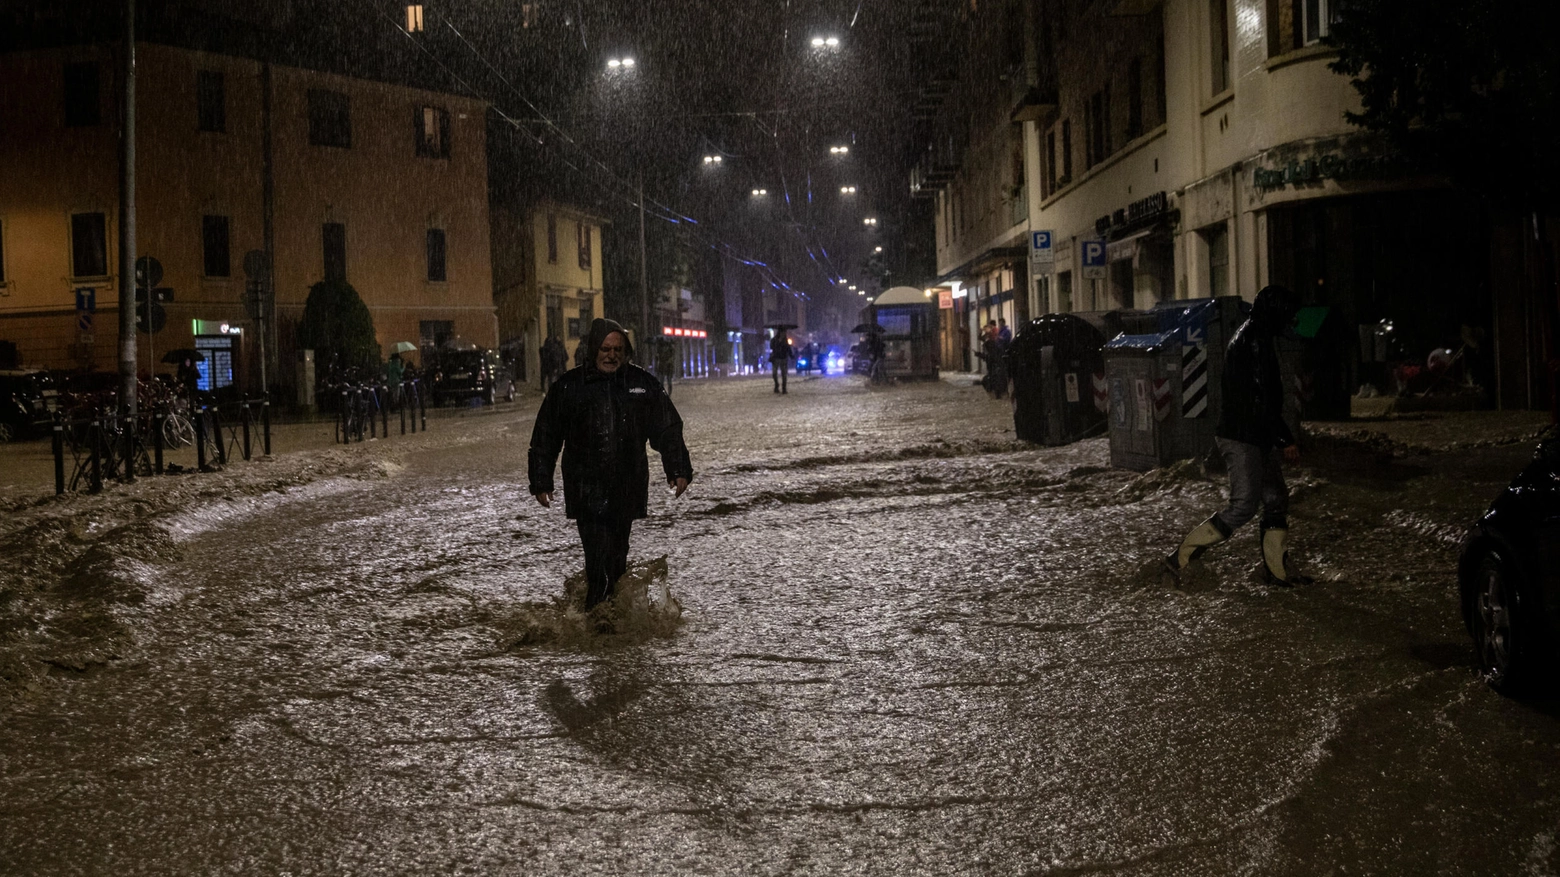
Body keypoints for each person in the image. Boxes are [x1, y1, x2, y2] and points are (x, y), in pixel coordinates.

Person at [528, 319, 694, 614]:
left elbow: (667, 427)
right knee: (598, 557)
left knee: (617, 556)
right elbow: (546, 435)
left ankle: (607, 617)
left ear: (625, 351)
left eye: (618, 349)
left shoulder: (642, 385)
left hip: (626, 487)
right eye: (605, 348)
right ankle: (599, 622)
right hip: (586, 488)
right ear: (593, 349)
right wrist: (541, 479)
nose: (611, 355)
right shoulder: (569, 387)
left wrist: (678, 468)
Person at [1162, 285, 1311, 587]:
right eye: (1289, 315)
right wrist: (1286, 439)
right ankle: (1178, 560)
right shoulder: (1253, 341)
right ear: (1277, 314)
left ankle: (1277, 573)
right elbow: (1261, 398)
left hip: (1255, 434)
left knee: (1275, 498)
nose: (1292, 321)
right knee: (1244, 505)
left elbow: (1263, 400)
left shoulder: (1257, 335)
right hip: (1243, 436)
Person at [769, 330, 794, 394]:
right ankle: (776, 385)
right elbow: (771, 347)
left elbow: (788, 349)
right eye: (783, 332)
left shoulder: (785, 341)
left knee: (784, 374)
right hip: (776, 358)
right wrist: (777, 343)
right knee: (774, 374)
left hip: (783, 358)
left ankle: (784, 388)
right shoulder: (774, 340)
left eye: (784, 333)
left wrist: (791, 356)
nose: (783, 334)